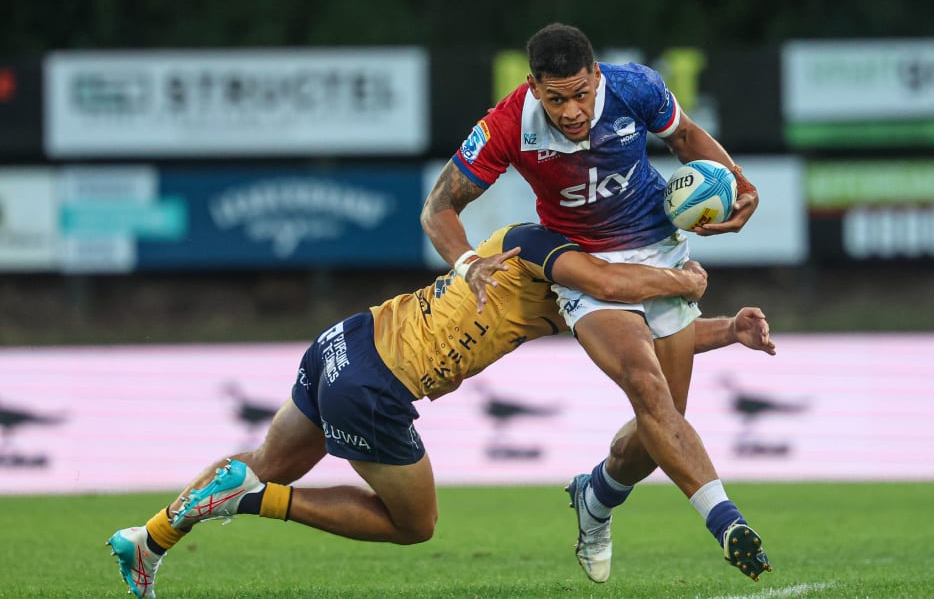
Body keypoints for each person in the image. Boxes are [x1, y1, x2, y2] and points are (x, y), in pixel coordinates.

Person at [106, 222, 776, 599]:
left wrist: (725, 330)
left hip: (347, 340)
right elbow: (616, 294)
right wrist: (684, 281)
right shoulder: (543, 248)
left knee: (267, 460)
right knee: (414, 524)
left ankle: (148, 540)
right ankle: (251, 502)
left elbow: (643, 332)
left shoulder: (555, 277)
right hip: (373, 389)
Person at [420, 23, 770, 583]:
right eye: (556, 99)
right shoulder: (506, 125)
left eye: (581, 94)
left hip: (663, 251)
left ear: (597, 76)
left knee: (659, 433)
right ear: (534, 87)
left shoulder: (637, 87)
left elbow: (686, 140)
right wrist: (466, 261)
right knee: (645, 383)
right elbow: (438, 208)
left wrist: (740, 184)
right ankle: (727, 523)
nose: (573, 111)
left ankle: (597, 497)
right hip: (585, 266)